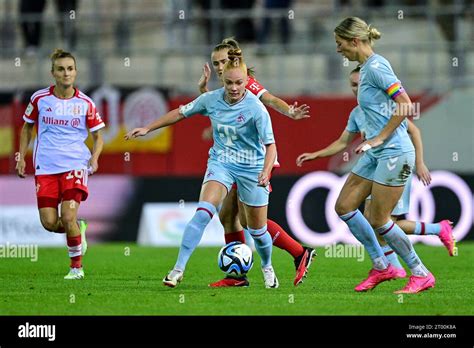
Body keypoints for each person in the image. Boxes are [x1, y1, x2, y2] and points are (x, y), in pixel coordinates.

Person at [126, 51, 279, 289]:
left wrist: (266, 171)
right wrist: (148, 128)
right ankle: (178, 269)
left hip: (252, 168)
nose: (234, 87)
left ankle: (267, 267)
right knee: (203, 213)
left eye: (239, 82)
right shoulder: (211, 100)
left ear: (247, 80)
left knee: (258, 230)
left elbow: (271, 146)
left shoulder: (256, 108)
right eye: (229, 82)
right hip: (221, 163)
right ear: (222, 81)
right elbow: (179, 113)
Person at [296, 66, 455, 278]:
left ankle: (435, 235)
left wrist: (420, 162)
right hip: (375, 167)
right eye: (353, 85)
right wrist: (316, 155)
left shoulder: (384, 106)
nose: (357, 88)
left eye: (361, 84)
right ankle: (395, 267)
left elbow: (414, 130)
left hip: (394, 164)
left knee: (385, 222)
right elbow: (343, 142)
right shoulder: (357, 113)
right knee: (375, 221)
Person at [330, 17, 438, 294]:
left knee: (379, 219)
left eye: (340, 44)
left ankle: (420, 272)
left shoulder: (377, 67)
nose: (338, 49)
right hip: (376, 153)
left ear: (354, 41)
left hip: (394, 151)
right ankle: (382, 265)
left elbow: (405, 104)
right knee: (344, 206)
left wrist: (379, 136)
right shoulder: (366, 69)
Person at [198, 38, 315, 287]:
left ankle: (299, 252)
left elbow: (271, 99)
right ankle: (237, 275)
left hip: (255, 160)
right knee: (228, 216)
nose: (219, 67)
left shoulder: (246, 83)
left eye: (223, 61)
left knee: (251, 221)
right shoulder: (225, 87)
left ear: (235, 59)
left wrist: (290, 112)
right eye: (215, 63)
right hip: (233, 158)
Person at [16, 48, 105, 280]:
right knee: (48, 222)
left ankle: (76, 268)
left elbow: (98, 136)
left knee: (67, 216)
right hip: (45, 167)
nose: (66, 73)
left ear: (75, 72)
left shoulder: (85, 102)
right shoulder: (39, 99)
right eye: (61, 69)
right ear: (53, 73)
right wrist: (20, 157)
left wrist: (94, 158)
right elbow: (26, 127)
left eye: (70, 69)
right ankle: (79, 227)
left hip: (75, 164)